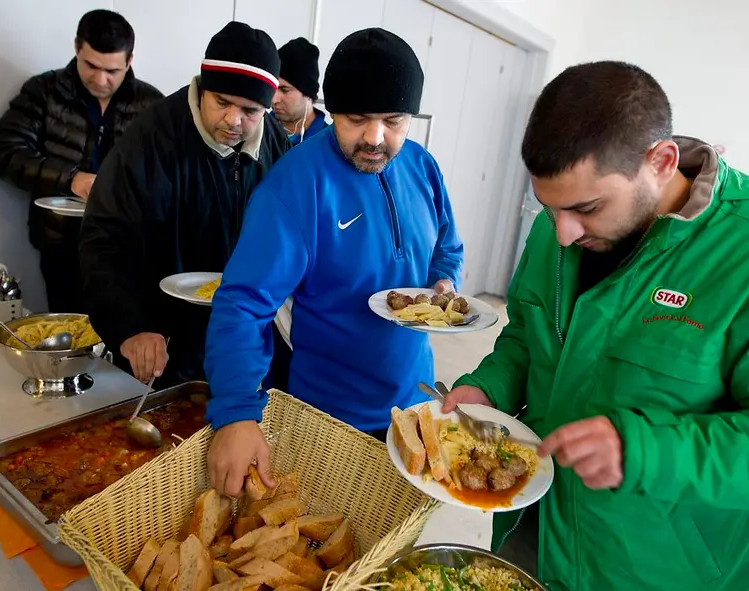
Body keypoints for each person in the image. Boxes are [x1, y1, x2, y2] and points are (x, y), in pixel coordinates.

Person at [444, 61, 749, 591]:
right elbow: (526, 336)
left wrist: (641, 451)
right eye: (547, 209)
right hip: (535, 530)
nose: (563, 233)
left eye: (588, 208)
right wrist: (489, 388)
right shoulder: (560, 224)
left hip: (660, 569)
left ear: (661, 162)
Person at [205, 29, 464, 497]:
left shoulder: (422, 166)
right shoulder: (295, 185)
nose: (375, 138)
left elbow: (447, 242)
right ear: (332, 109)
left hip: (415, 407)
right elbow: (243, 303)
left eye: (393, 121)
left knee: (396, 535)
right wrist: (237, 412)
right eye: (357, 119)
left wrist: (444, 281)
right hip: (328, 419)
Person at [79, 22, 290, 386]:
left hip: (245, 332)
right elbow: (105, 237)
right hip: (164, 338)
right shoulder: (151, 137)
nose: (233, 120)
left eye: (250, 110)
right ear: (203, 88)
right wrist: (129, 327)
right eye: (221, 102)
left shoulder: (273, 142)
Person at [0, 9, 162, 312]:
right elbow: (5, 151)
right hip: (60, 242)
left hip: (129, 244)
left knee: (124, 331)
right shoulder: (44, 91)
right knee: (71, 330)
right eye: (91, 66)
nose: (101, 80)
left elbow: (169, 172)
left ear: (129, 61)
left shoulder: (152, 104)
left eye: (112, 71)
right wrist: (71, 179)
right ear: (76, 48)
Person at [272, 37, 329, 145]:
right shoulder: (258, 128)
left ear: (308, 94)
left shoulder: (328, 142)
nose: (274, 100)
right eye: (273, 87)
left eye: (284, 90)